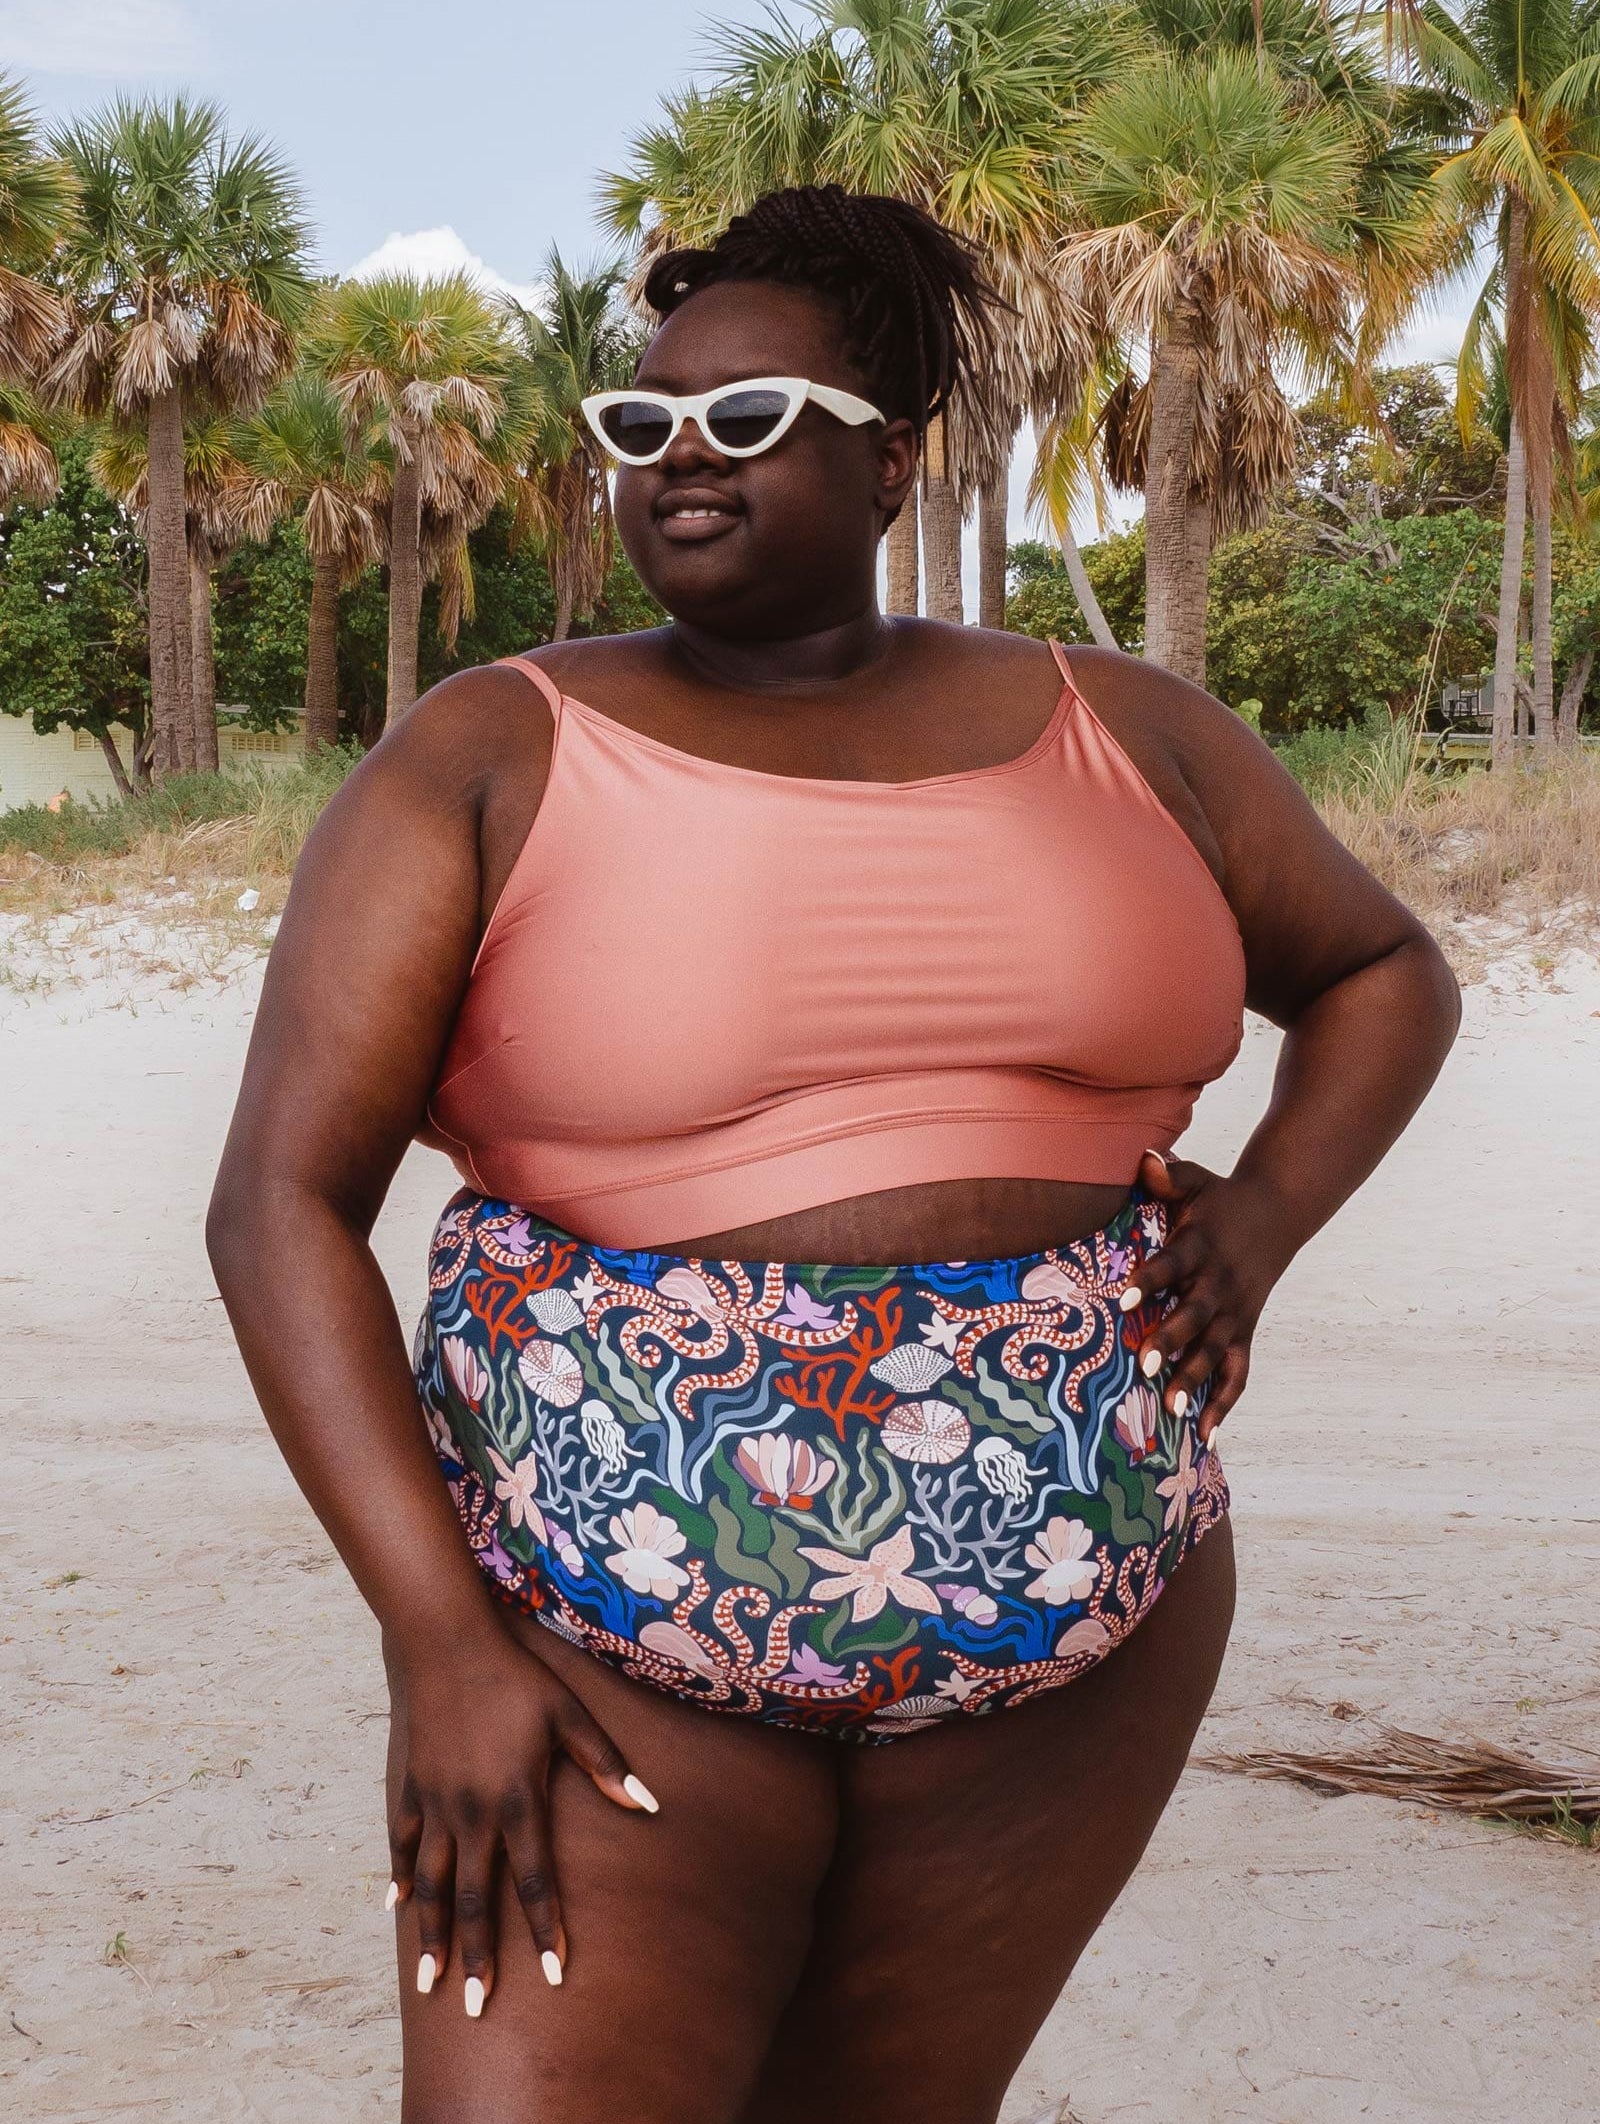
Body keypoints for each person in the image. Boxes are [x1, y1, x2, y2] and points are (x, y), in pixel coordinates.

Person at [207, 184, 1459, 2124]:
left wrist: (1270, 1212)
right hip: (598, 1616)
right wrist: (441, 1650)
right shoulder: (485, 754)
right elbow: (277, 1203)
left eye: (741, 414)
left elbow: (1379, 971)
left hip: (1074, 1628)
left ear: (885, 460)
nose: (677, 457)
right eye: (638, 426)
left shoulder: (1123, 730)